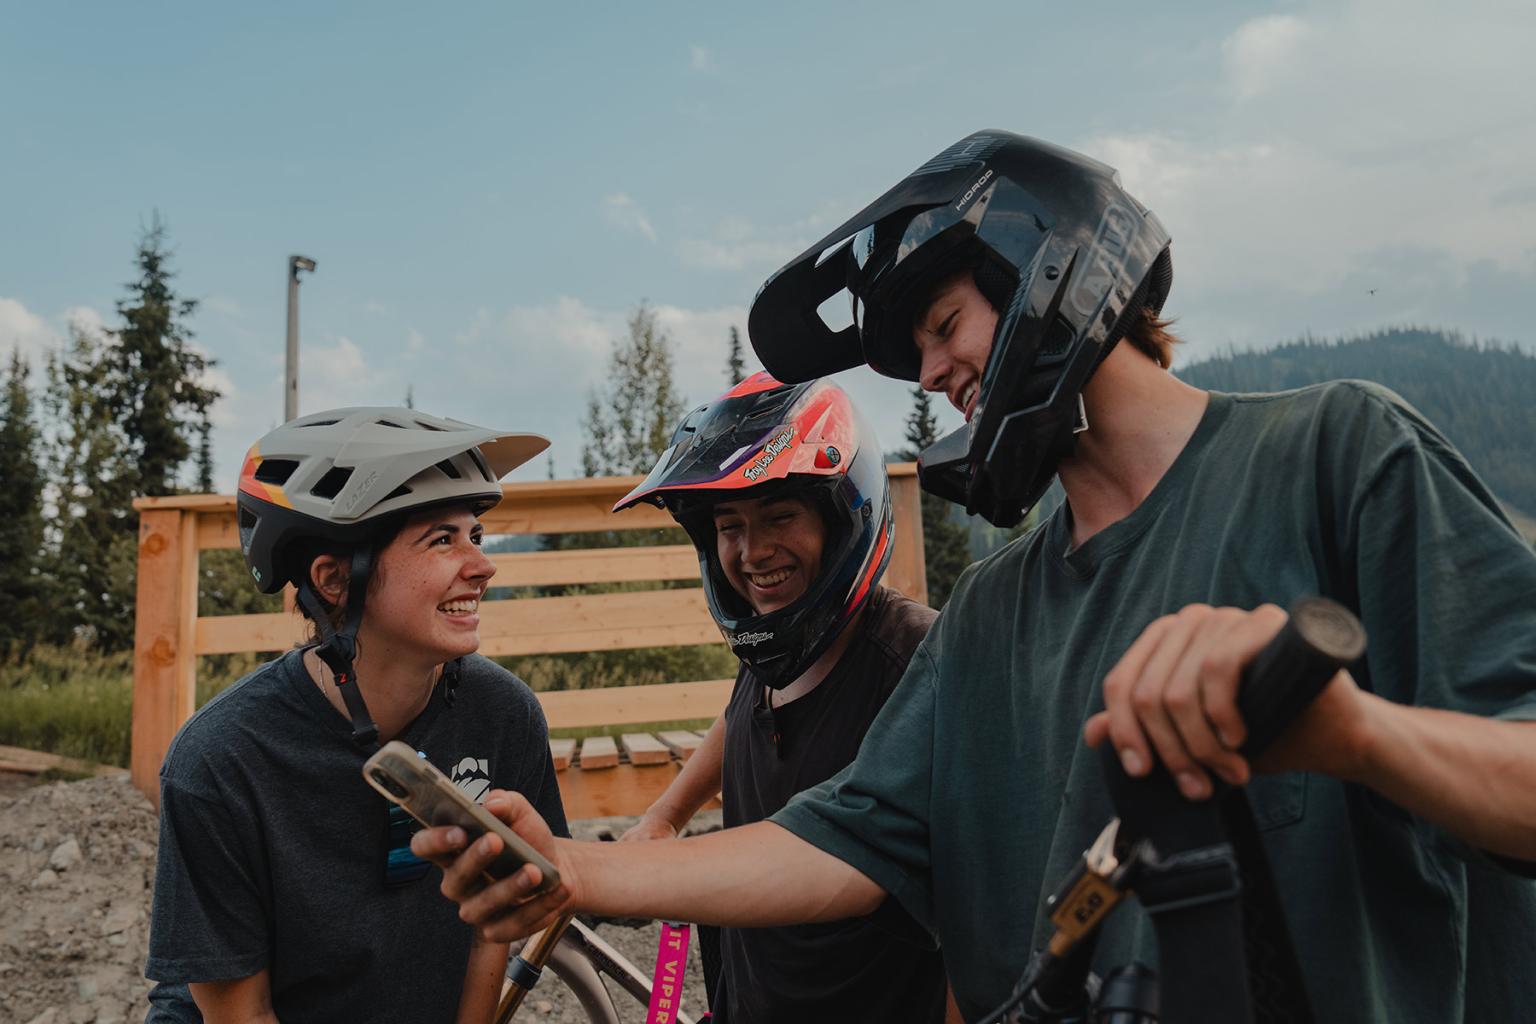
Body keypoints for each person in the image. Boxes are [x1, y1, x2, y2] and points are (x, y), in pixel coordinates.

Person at [414, 133, 1536, 1021]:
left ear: (1061, 271)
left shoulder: (1336, 456)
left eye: (946, 326)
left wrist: (1350, 734)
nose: (937, 373)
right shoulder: (993, 612)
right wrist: (572, 867)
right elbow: (839, 839)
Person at [145, 407, 570, 1024]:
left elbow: (493, 927)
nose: (482, 565)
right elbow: (242, 1015)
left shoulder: (502, 716)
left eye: (473, 535)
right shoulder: (221, 761)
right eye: (442, 539)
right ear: (335, 579)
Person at [611, 371, 948, 1023]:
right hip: (757, 993)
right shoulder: (779, 642)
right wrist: (666, 814)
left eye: (779, 516)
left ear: (843, 514)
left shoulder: (913, 659)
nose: (752, 550)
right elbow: (741, 719)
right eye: (729, 526)